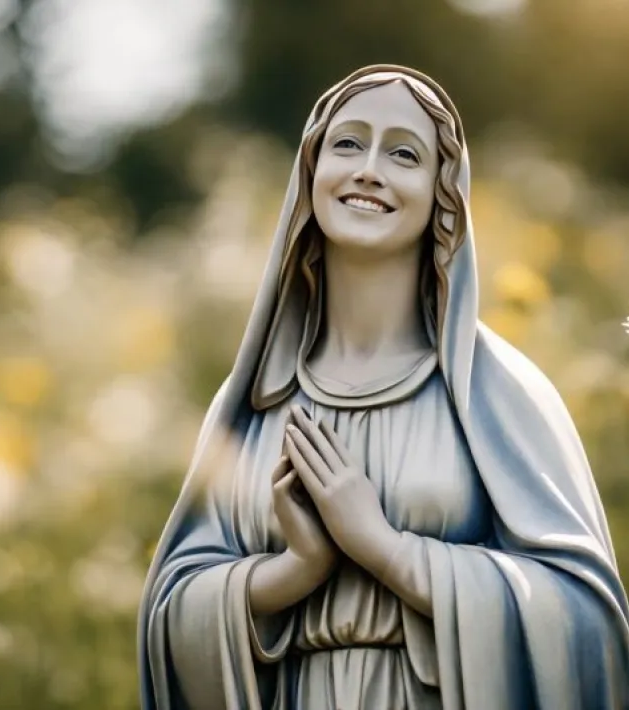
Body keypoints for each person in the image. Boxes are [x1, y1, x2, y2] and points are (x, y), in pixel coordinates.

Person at [137, 64, 629, 709]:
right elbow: (173, 610)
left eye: (403, 153)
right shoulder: (255, 403)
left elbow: (583, 620)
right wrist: (292, 572)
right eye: (347, 143)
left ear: (443, 196)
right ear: (309, 174)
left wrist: (386, 549)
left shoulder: (497, 393)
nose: (369, 168)